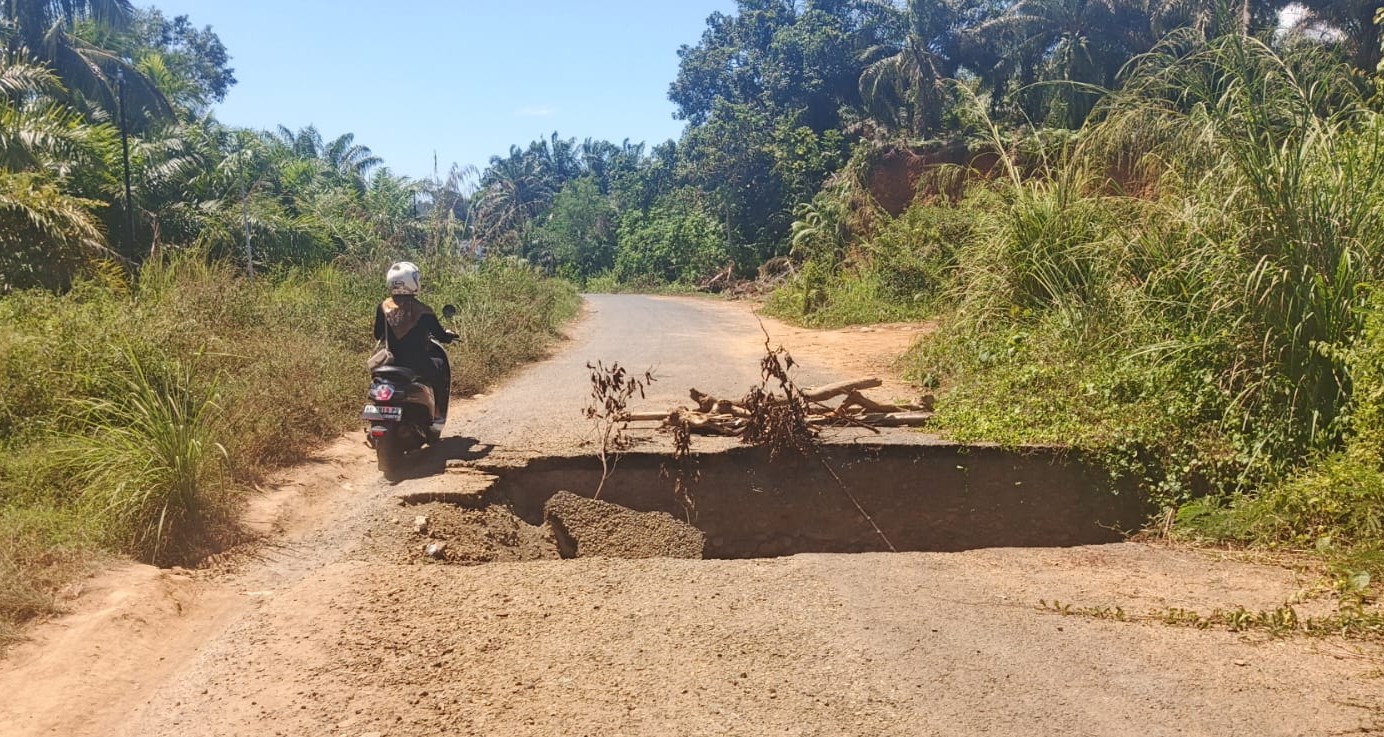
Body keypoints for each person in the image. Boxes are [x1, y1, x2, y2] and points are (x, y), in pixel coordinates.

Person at [373, 261, 457, 425]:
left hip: (391, 361)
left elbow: (378, 334)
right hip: (418, 363)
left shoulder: (382, 307)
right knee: (439, 368)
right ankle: (437, 412)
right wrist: (449, 336)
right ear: (413, 282)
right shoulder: (423, 310)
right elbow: (440, 335)